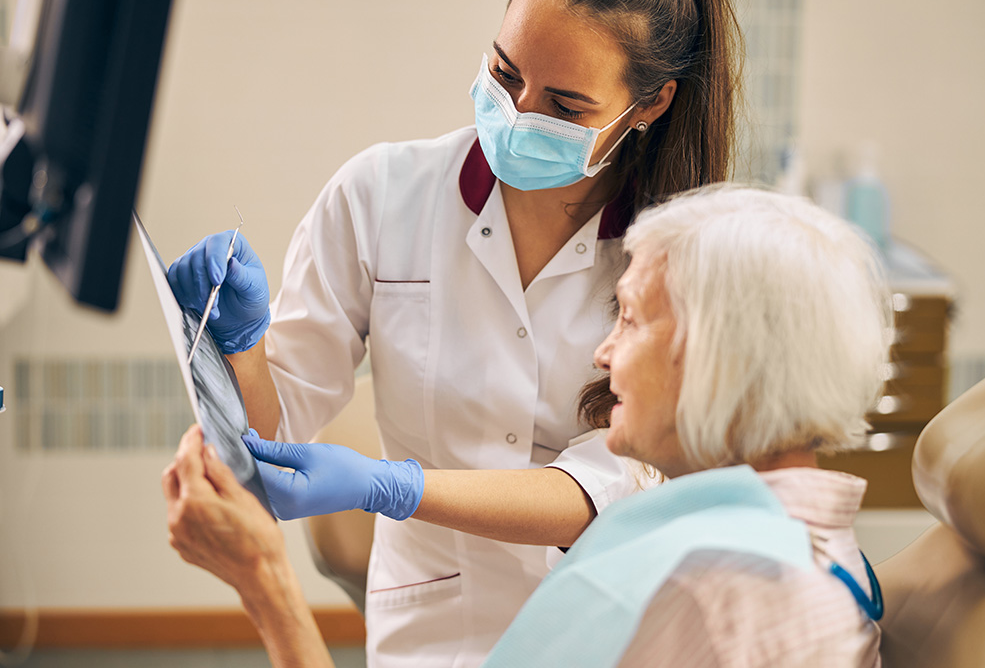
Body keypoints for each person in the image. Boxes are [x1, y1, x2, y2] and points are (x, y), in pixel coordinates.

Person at [167, 0, 741, 665]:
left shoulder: (679, 260)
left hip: (610, 627)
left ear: (651, 103)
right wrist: (242, 343)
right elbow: (269, 430)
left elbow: (616, 482)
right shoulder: (381, 197)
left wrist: (397, 487)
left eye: (565, 107)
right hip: (433, 628)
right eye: (504, 74)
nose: (518, 115)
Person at [164, 185, 892, 667]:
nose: (604, 355)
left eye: (630, 319)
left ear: (721, 360)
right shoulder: (785, 551)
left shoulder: (717, 599)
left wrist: (265, 585)